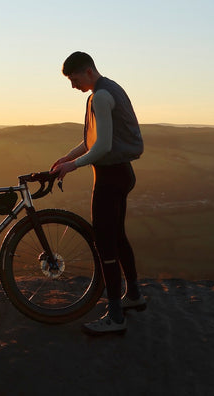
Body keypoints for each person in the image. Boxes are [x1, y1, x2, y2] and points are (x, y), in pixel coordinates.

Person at [50, 51, 147, 335]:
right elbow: (93, 141)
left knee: (105, 243)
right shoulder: (109, 89)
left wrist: (72, 166)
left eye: (74, 79)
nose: (73, 86)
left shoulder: (101, 97)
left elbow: (102, 147)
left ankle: (116, 317)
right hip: (121, 173)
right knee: (117, 236)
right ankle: (134, 296)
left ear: (89, 71)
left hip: (110, 178)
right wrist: (66, 157)